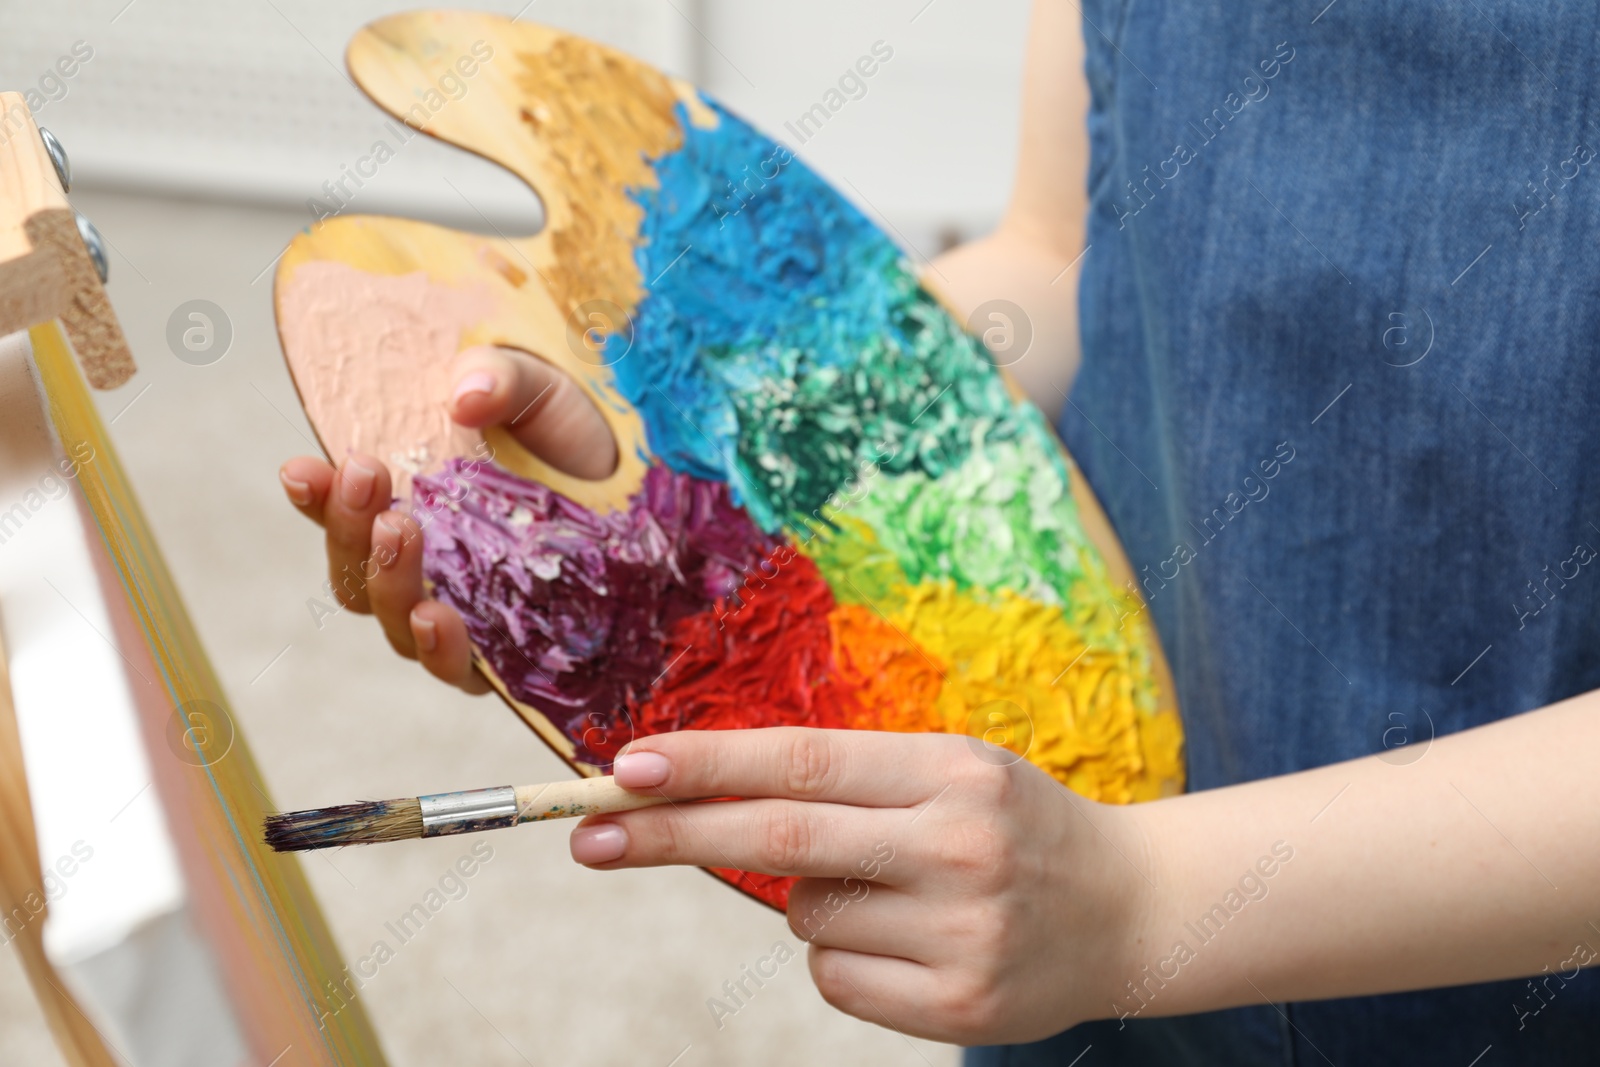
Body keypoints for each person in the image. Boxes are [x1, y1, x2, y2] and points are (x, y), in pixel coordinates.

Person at [277, 3, 1600, 1062]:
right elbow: (1061, 266)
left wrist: (1146, 905)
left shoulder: (1124, 897)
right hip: (1080, 882)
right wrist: (701, 487)